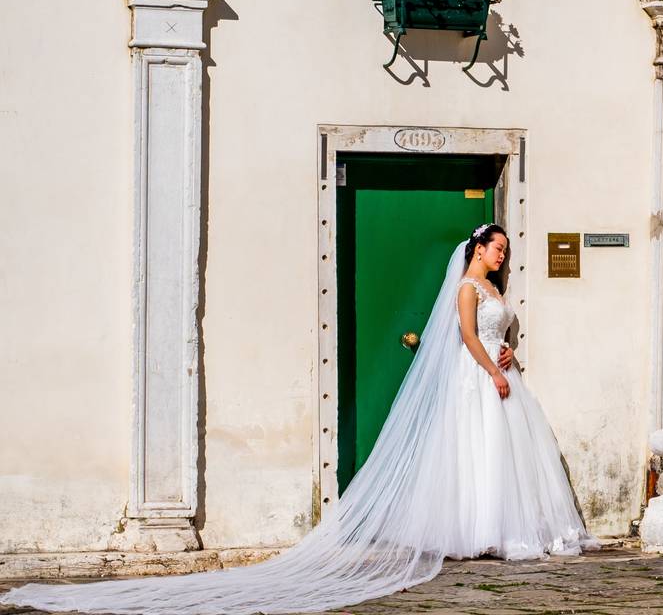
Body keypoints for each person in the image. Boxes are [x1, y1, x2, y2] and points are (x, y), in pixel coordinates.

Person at [1, 224, 596, 614]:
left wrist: (509, 355)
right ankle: (476, 530)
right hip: (478, 380)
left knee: (498, 456)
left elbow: (497, 334)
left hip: (499, 375)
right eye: (496, 248)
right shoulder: (468, 288)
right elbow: (466, 335)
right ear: (476, 250)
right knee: (473, 450)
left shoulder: (494, 289)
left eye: (504, 252)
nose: (502, 255)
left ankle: (498, 528)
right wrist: (491, 369)